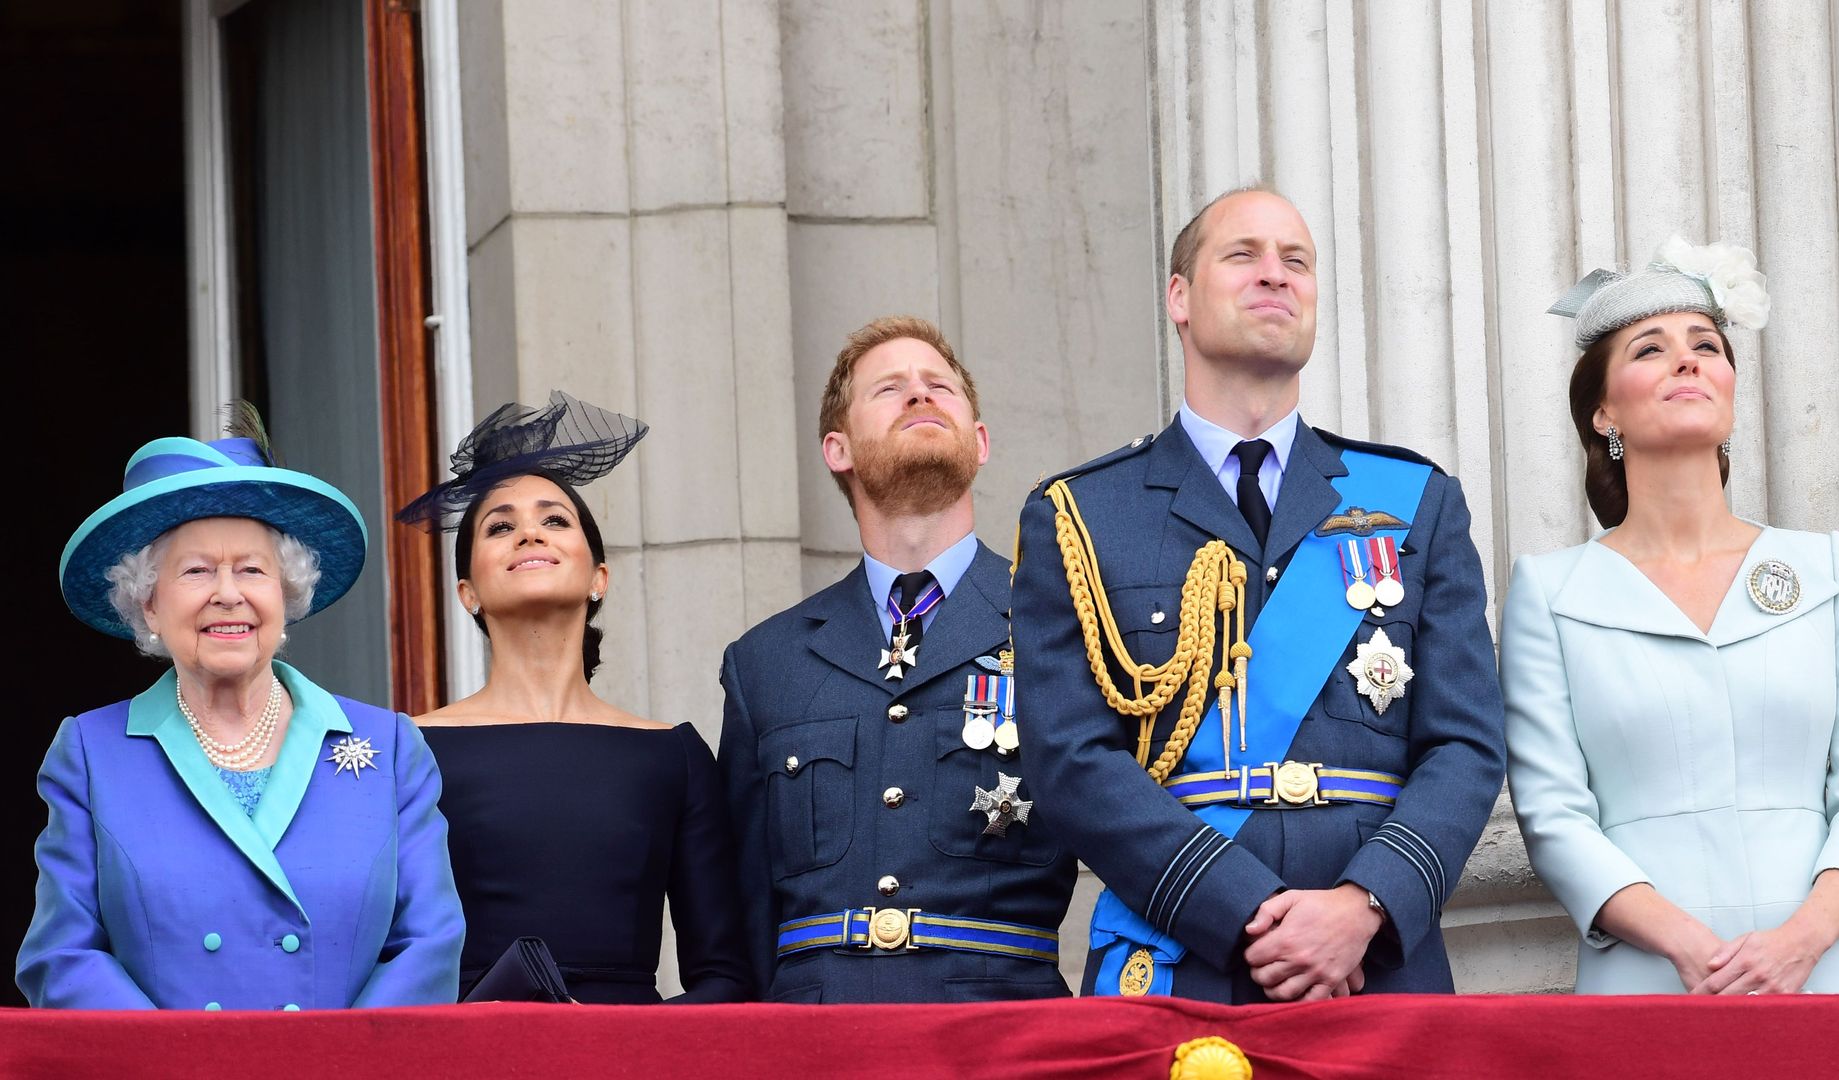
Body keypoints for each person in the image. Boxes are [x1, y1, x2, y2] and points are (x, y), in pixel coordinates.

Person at [1011, 189, 1505, 1003]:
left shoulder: (1417, 499)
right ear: (1179, 296)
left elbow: (1465, 745)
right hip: (1184, 954)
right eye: (1243, 255)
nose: (1275, 275)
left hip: (1373, 963)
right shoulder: (1082, 514)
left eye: (1297, 261)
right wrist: (1249, 908)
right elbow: (1069, 760)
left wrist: (1363, 905)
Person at [1503, 238, 1839, 994]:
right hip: (1651, 978)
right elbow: (1555, 815)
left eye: (1707, 344)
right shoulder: (1551, 592)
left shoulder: (1821, 567)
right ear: (1603, 412)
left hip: (1825, 972)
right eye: (1650, 349)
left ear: (1728, 387)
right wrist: (1695, 949)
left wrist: (1800, 941)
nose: (1687, 360)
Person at [21, 410, 464, 1010]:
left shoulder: (388, 747)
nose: (227, 593)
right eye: (197, 570)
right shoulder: (90, 752)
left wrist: (341, 1067)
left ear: (286, 593)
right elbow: (62, 957)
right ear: (148, 605)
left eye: (252, 570)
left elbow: (429, 946)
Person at [718, 316, 1078, 1003]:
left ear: (979, 442)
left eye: (938, 386)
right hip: (817, 1043)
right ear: (838, 448)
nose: (920, 396)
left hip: (1002, 1035)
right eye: (890, 388)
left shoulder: (1061, 626)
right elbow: (743, 910)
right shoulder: (766, 662)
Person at [398, 391, 751, 1004]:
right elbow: (383, 953)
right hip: (466, 1063)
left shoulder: (676, 756)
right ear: (467, 592)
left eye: (555, 519)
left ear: (598, 578)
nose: (529, 532)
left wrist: (632, 1052)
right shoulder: (408, 749)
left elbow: (724, 974)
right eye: (500, 526)